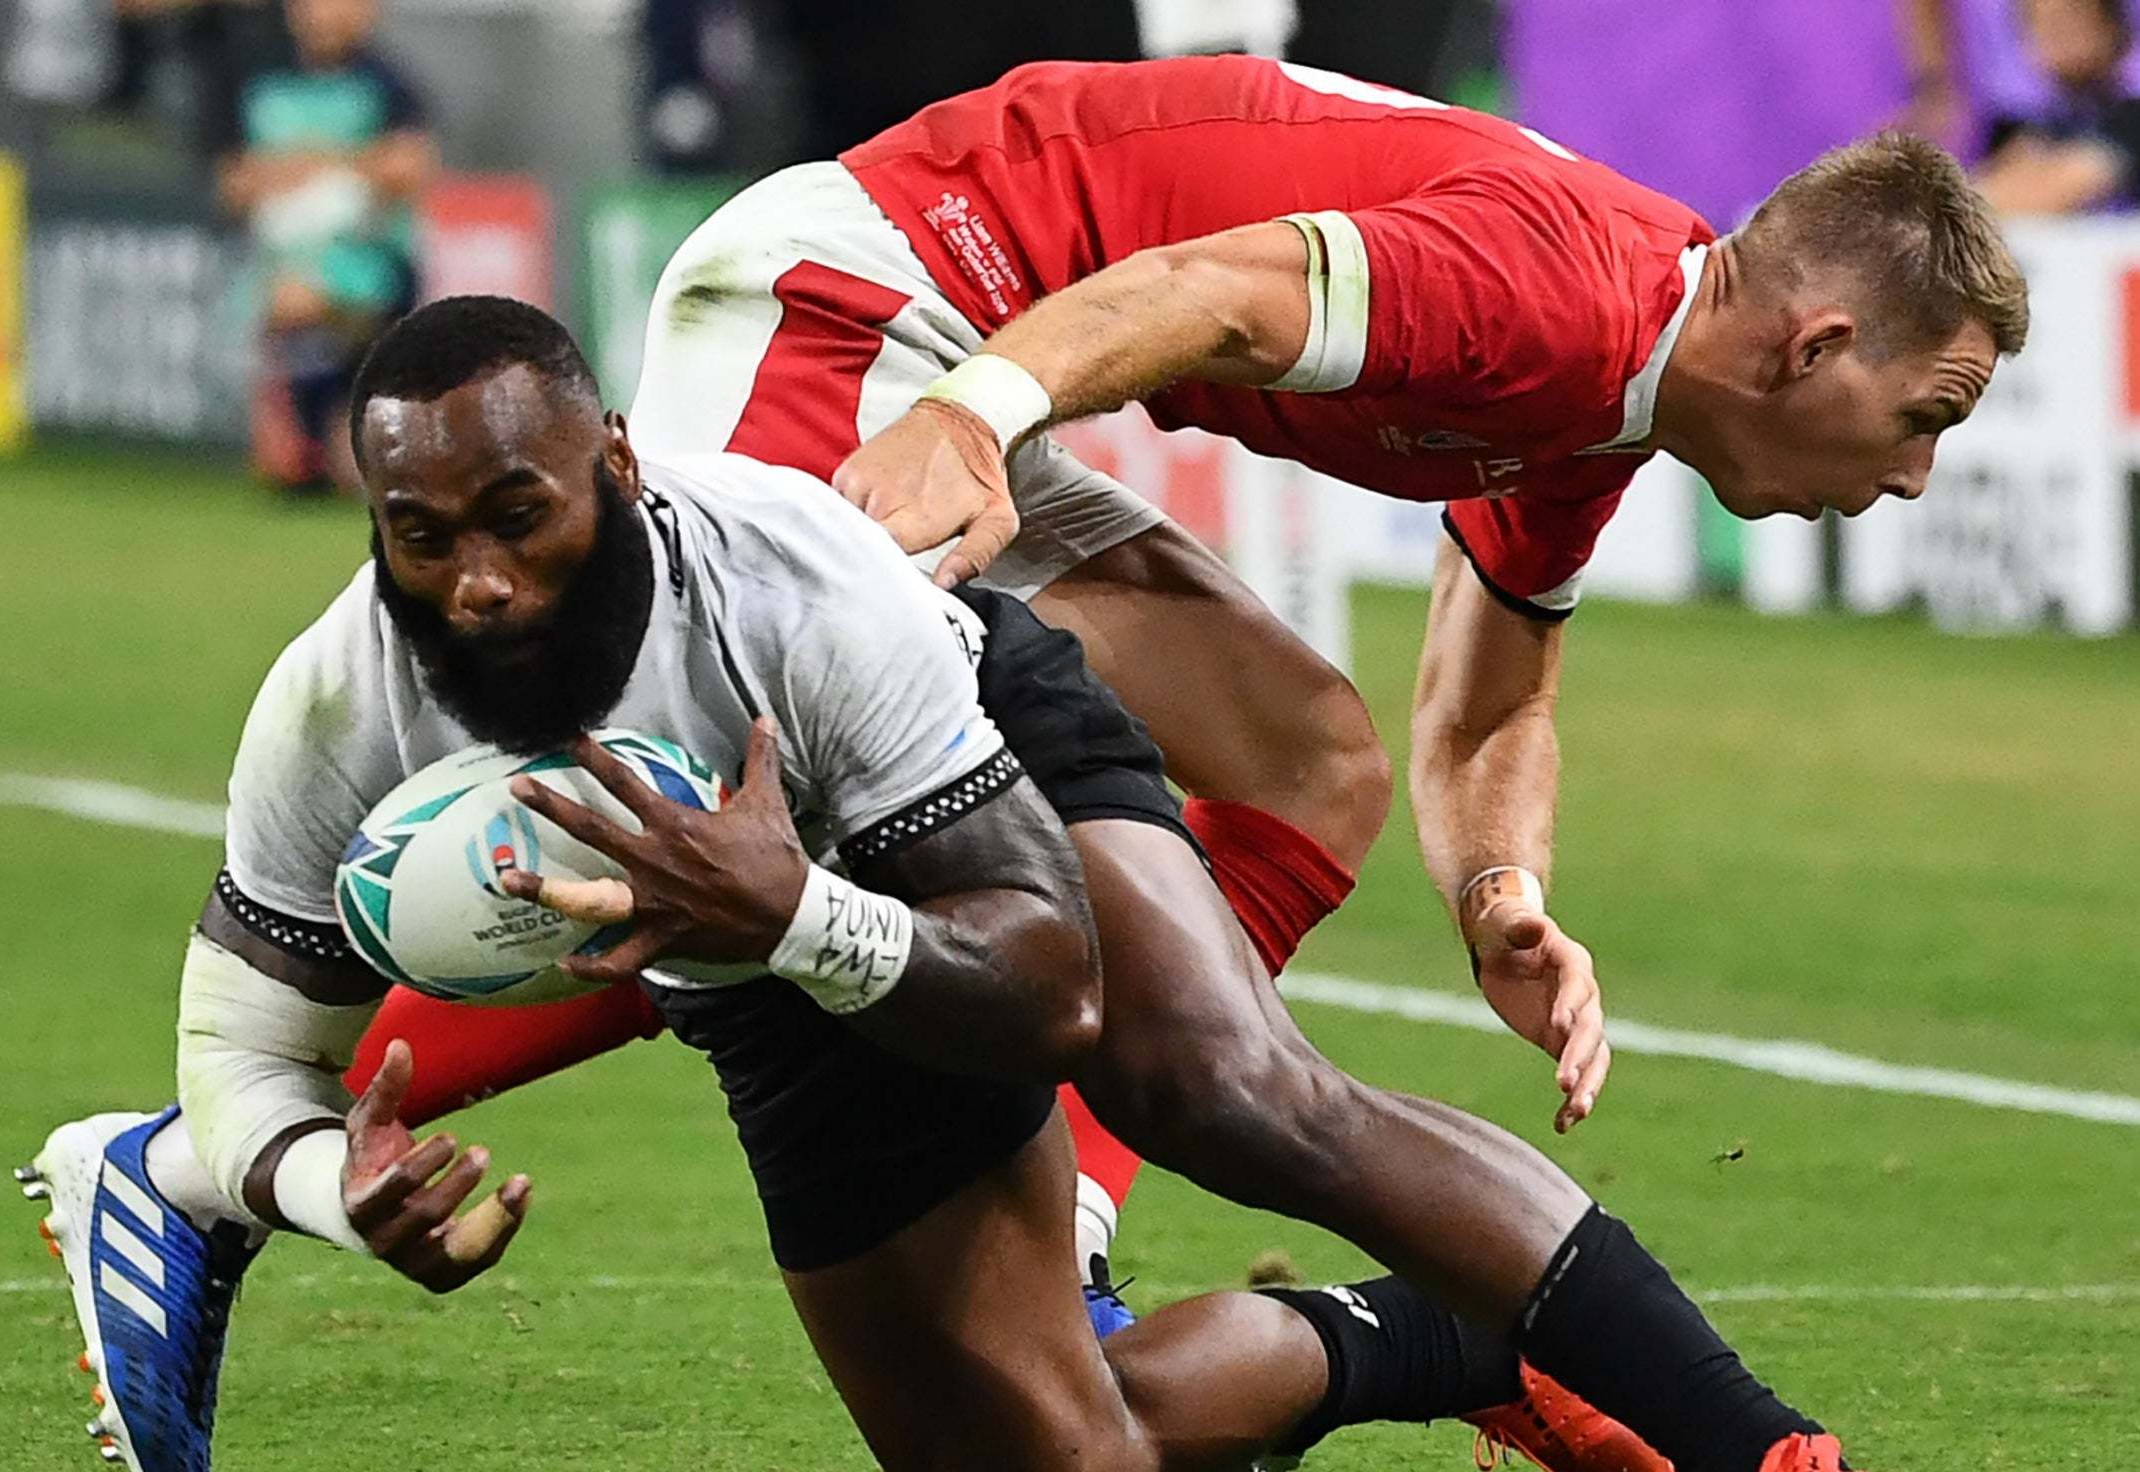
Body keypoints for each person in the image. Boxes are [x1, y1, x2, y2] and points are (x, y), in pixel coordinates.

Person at [25, 298, 1917, 1472]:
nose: (481, 580)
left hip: (972, 791)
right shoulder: (334, 701)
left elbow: (1049, 989)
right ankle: (1432, 1341)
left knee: (1217, 1081)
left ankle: (1783, 1461)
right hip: (750, 942)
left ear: (611, 460)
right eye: (421, 535)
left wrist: (793, 912)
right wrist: (336, 1197)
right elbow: (238, 1051)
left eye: (519, 513)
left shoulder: (788, 580)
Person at [324, 56, 2031, 1328]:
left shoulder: (1611, 388)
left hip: (987, 356)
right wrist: (969, 420)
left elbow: (1488, 702)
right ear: (1815, 347)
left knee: (1305, 764)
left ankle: (1061, 1245)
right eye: (1923, 413)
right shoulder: (1566, 292)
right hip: (873, 298)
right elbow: (1211, 298)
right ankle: (238, 1148)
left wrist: (1502, 895)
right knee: (732, 817)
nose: (1911, 475)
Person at [217, 0, 435, 491]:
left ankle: (334, 418)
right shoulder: (262, 80)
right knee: (278, 300)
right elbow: (233, 182)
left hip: (366, 267)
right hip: (279, 266)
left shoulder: (390, 86)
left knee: (299, 302)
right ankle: (300, 427)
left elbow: (408, 168)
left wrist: (322, 165)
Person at [1976, 0, 2140, 212]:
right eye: (2041, 24)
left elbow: (2054, 195)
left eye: (2072, 19)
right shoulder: (2029, 123)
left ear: (2114, 27)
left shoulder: (2132, 117)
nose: (2057, 35)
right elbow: (1973, 196)